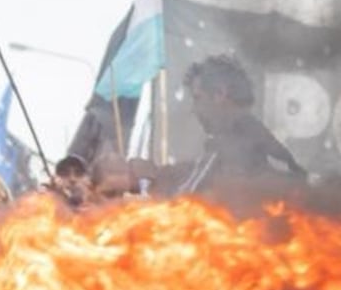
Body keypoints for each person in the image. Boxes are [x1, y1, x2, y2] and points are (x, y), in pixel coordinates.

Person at [126, 56, 306, 207]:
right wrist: (156, 173)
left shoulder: (238, 142)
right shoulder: (253, 137)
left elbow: (187, 199)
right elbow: (199, 174)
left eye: (198, 98)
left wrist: (148, 188)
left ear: (220, 94)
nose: (194, 109)